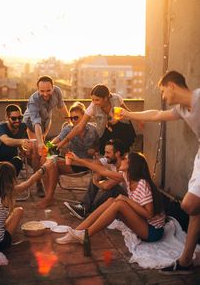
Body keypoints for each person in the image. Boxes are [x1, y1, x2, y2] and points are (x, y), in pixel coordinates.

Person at [118, 70, 199, 275]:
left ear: (172, 85)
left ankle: (185, 260)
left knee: (191, 205)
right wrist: (127, 114)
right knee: (192, 206)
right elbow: (155, 114)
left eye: (163, 91)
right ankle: (185, 261)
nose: (163, 97)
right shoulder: (181, 109)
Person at [56, 152, 165, 246]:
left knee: (120, 203)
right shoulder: (127, 177)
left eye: (125, 159)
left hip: (152, 231)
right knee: (111, 201)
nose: (121, 160)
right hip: (142, 223)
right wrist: (78, 159)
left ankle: (86, 235)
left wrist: (126, 200)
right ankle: (76, 232)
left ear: (132, 165)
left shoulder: (142, 184)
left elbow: (149, 214)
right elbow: (102, 171)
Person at [36, 102, 99, 208]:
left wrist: (94, 150)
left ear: (84, 116)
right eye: (71, 118)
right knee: (45, 160)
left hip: (85, 164)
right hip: (70, 162)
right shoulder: (68, 129)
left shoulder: (92, 130)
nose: (73, 121)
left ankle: (49, 197)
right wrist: (46, 146)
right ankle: (49, 196)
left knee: (51, 164)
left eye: (76, 118)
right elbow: (56, 139)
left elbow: (99, 147)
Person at [56, 84, 136, 155]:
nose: (94, 102)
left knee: (122, 151)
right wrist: (64, 141)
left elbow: (127, 112)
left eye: (97, 100)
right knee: (106, 151)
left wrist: (140, 120)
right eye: (92, 100)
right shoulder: (93, 107)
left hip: (123, 128)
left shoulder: (116, 98)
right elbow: (80, 126)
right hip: (106, 131)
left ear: (105, 98)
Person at [23, 75, 69, 196]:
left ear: (53, 88)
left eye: (48, 90)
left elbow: (62, 107)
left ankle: (46, 174)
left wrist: (71, 122)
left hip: (46, 121)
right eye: (42, 91)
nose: (45, 93)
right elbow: (36, 123)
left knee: (44, 152)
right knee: (36, 151)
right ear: (38, 89)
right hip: (31, 124)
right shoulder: (33, 100)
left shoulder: (57, 91)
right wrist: (40, 142)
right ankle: (38, 183)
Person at [64, 139, 127, 220]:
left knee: (112, 188)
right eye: (105, 152)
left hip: (126, 200)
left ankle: (90, 209)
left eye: (108, 153)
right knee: (99, 173)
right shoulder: (111, 160)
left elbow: (107, 186)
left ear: (117, 153)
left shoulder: (125, 166)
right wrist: (96, 173)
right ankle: (84, 207)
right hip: (118, 196)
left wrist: (96, 182)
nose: (105, 155)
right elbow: (93, 163)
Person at [0, 104, 30, 176]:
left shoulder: (23, 126)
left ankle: (11, 183)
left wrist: (25, 151)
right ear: (7, 117)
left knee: (18, 162)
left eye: (20, 117)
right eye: (13, 118)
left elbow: (22, 144)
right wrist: (22, 141)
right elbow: (7, 140)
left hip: (12, 158)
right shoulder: (0, 127)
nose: (17, 120)